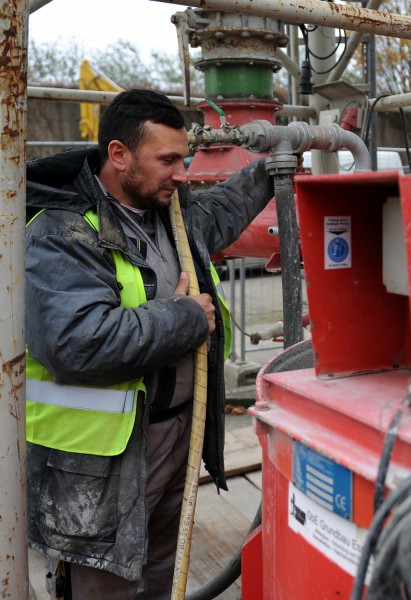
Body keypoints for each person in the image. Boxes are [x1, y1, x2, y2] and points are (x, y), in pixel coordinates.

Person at [25, 89, 275, 598]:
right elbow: (78, 343)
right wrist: (184, 318)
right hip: (99, 461)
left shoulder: (168, 211)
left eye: (182, 159)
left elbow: (223, 209)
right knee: (108, 582)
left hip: (174, 433)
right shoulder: (63, 231)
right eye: (167, 160)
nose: (181, 172)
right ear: (119, 155)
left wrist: (278, 166)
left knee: (163, 568)